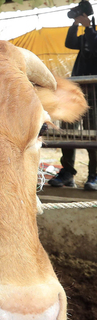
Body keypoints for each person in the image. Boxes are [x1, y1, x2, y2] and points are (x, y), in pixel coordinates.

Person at [48, 12, 97, 190]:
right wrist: (76, 24)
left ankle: (94, 175)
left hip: (95, 93)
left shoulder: (92, 36)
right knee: (68, 130)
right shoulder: (88, 36)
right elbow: (70, 43)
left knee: (93, 134)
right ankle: (68, 172)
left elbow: (93, 47)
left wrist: (89, 27)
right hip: (77, 90)